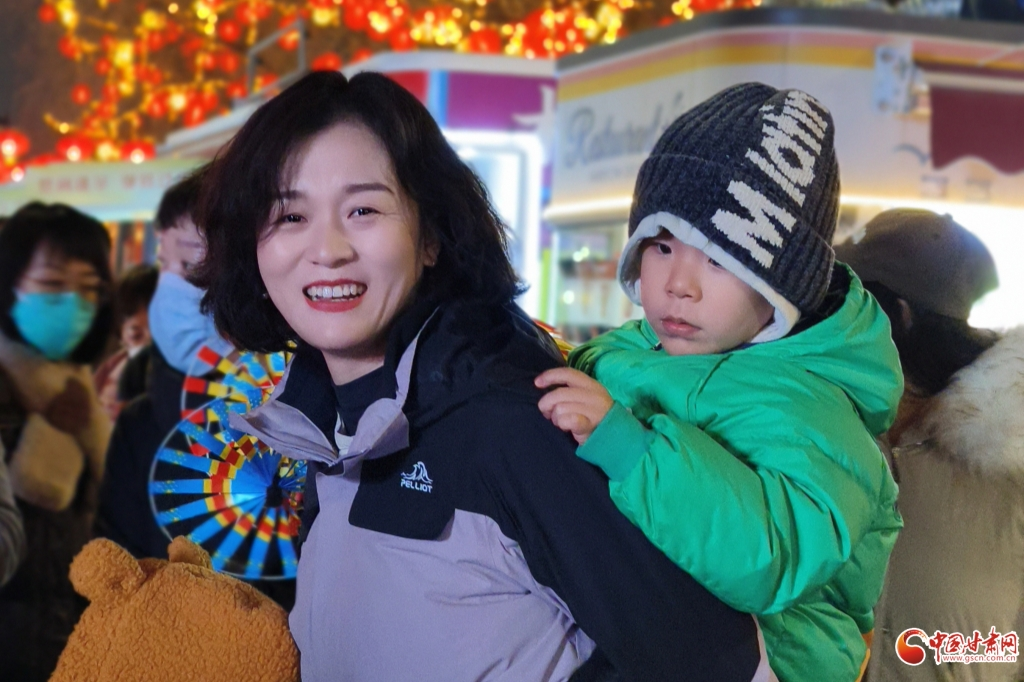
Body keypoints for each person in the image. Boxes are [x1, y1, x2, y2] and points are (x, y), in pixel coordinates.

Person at [193, 70, 772, 682]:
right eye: (290, 216)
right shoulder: (323, 436)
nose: (328, 249)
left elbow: (715, 664)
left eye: (363, 209)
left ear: (431, 237)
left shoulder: (518, 422)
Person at [536, 83, 904, 682]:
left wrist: (631, 448)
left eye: (719, 259)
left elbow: (768, 554)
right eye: (661, 246)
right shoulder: (636, 346)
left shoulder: (816, 411)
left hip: (769, 659)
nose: (679, 284)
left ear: (782, 287)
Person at [838, 210, 1023, 682]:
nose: (831, 318)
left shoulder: (1008, 470)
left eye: (851, 300)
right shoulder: (830, 429)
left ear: (898, 317)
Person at [0, 202, 115, 682]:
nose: (73, 305)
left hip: (69, 647)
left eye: (88, 289)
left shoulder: (76, 391)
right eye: (51, 284)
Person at [93, 263, 158, 420]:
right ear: (121, 334)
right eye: (136, 336)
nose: (148, 347)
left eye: (159, 335)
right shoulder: (109, 372)